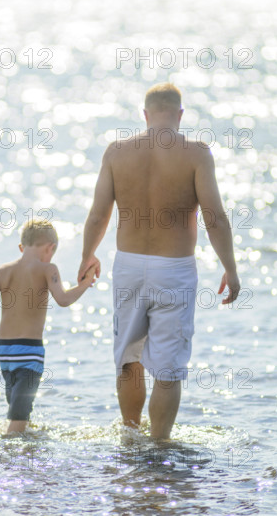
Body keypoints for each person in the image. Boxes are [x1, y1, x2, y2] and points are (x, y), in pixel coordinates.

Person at [78, 82, 240, 439]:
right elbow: (214, 217)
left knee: (128, 357)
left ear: (146, 115)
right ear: (180, 115)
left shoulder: (117, 152)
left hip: (129, 265)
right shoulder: (196, 154)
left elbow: (97, 215)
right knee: (169, 369)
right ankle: (160, 446)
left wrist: (88, 255)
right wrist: (230, 267)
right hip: (174, 269)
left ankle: (130, 437)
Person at [0, 219, 96, 434]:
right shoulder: (48, 269)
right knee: (19, 416)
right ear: (50, 248)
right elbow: (63, 299)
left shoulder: (3, 271)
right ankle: (9, 457)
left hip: (5, 352)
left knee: (17, 411)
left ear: (21, 247)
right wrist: (85, 284)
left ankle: (18, 454)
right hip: (29, 352)